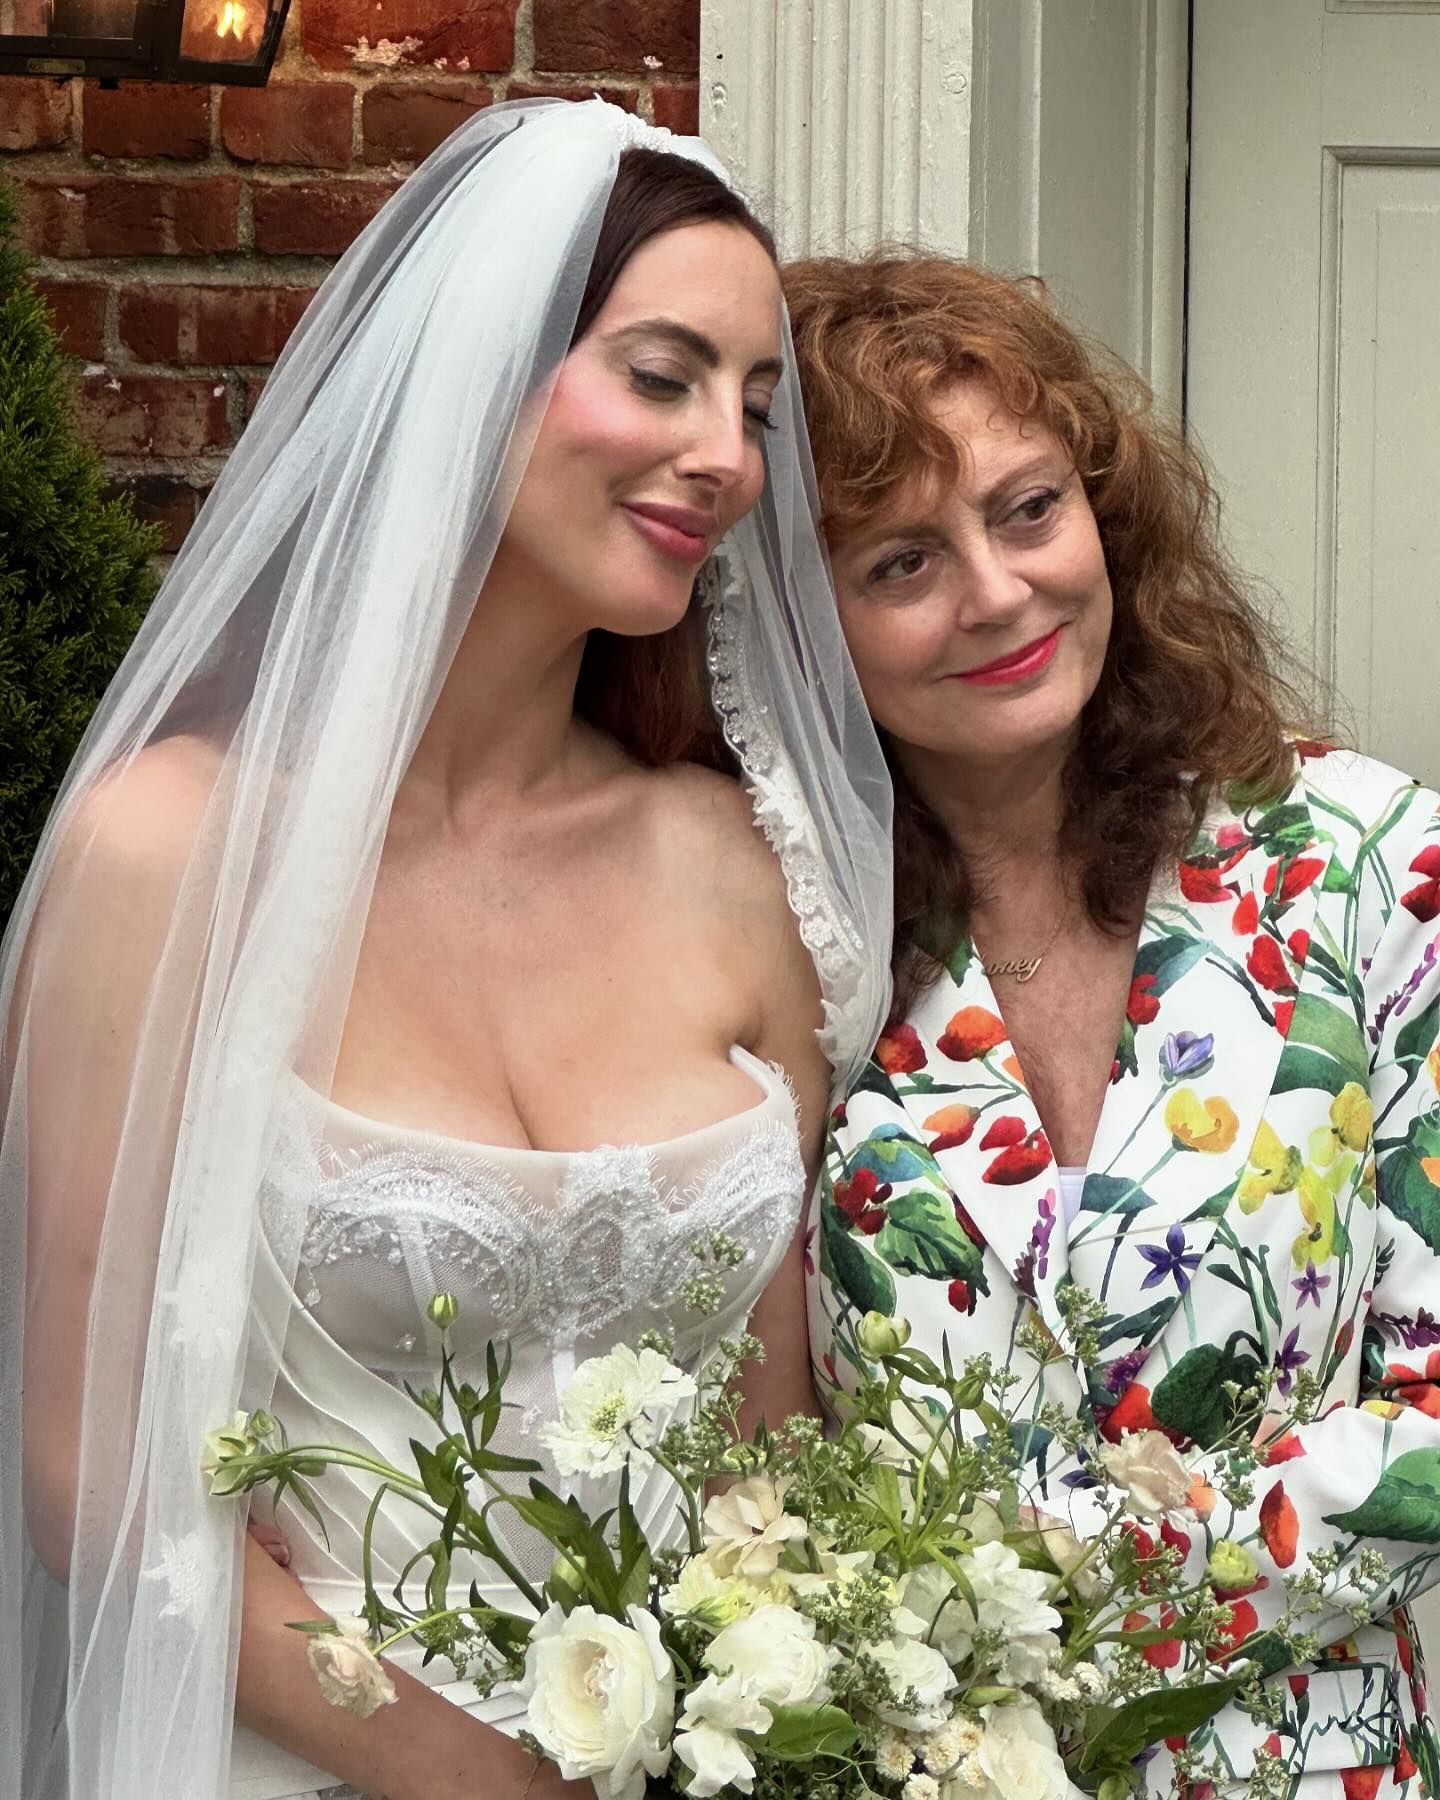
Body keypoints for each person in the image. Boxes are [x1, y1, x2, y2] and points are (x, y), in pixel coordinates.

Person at [0, 102, 892, 1800]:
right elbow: (86, 1471)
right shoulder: (170, 858)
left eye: (754, 408)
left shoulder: (727, 865)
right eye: (664, 373)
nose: (728, 456)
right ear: (472, 374)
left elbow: (775, 1439)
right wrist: (491, 1782)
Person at [786, 254, 1440, 1793]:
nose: (1000, 590)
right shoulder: (779, 940)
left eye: (1028, 509)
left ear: (1105, 513)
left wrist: (1040, 1597)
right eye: (898, 562)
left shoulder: (1366, 866)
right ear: (800, 628)